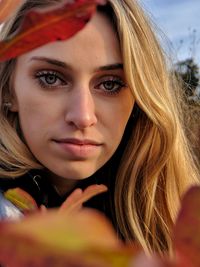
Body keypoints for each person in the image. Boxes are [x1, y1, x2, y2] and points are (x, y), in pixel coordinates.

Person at [0, 0, 199, 257]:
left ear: (140, 98)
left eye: (110, 84)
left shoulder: (168, 218)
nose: (83, 116)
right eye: (50, 78)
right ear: (8, 90)